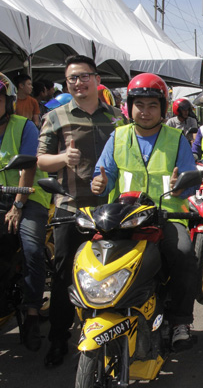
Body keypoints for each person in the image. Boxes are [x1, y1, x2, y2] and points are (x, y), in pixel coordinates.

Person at [90, 73, 198, 353]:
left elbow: (189, 181)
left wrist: (179, 187)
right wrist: (99, 182)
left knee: (184, 253)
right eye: (140, 105)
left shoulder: (177, 139)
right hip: (123, 218)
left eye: (152, 105)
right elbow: (105, 175)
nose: (146, 111)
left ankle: (181, 322)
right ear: (130, 107)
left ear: (163, 108)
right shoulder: (118, 136)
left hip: (167, 217)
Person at [37, 55, 126, 368]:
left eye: (83, 76)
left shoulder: (117, 117)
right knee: (65, 277)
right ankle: (59, 339)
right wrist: (63, 158)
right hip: (71, 209)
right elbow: (41, 161)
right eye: (71, 78)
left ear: (96, 78)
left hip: (111, 211)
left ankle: (113, 335)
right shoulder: (56, 116)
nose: (77, 83)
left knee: (113, 276)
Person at [0, 73, 51, 352]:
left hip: (28, 196)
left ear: (8, 102)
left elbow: (28, 166)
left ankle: (32, 312)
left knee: (31, 248)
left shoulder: (24, 127)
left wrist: (18, 205)